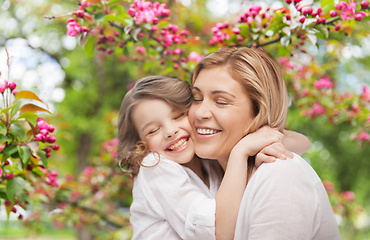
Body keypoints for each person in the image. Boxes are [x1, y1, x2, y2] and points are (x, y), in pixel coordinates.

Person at [117, 75, 307, 239]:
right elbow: (215, 233)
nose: (170, 131)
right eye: (153, 130)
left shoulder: (208, 158)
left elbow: (302, 142)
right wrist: (241, 151)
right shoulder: (155, 166)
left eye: (178, 116)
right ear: (141, 146)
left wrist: (249, 138)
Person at [189, 46, 341, 239]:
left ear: (259, 110)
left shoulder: (279, 173)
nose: (200, 113)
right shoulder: (209, 178)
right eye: (196, 98)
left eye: (221, 101)